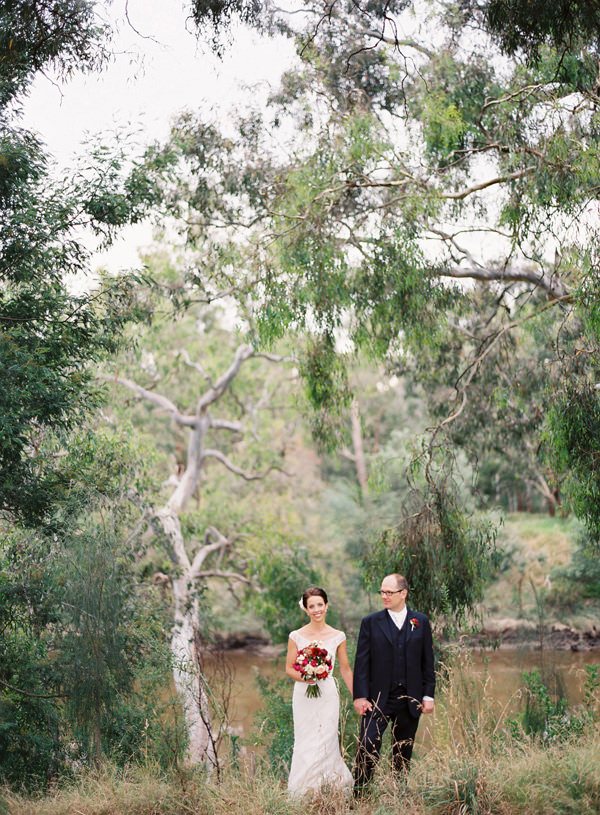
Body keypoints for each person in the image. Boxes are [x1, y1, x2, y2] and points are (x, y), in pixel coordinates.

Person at [353, 573, 435, 793]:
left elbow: (427, 662)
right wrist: (360, 696)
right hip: (377, 698)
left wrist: (428, 695)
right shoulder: (370, 622)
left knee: (403, 750)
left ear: (403, 593)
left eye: (389, 592)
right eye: (382, 592)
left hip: (410, 698)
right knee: (367, 744)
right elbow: (362, 662)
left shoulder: (421, 622)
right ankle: (360, 794)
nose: (384, 596)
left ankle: (398, 794)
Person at [285, 587, 354, 796]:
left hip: (327, 694)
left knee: (327, 738)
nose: (316, 610)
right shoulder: (296, 636)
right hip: (303, 694)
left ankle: (330, 789)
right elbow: (289, 668)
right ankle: (304, 791)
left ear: (326, 605)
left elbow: (344, 668)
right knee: (305, 739)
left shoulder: (338, 636)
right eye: (311, 606)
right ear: (305, 609)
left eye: (319, 605)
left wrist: (357, 696)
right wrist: (308, 675)